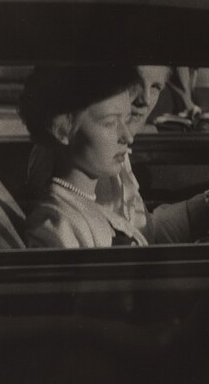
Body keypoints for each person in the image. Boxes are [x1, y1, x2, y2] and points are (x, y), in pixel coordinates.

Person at [26, 65, 209, 244]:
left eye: (156, 86)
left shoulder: (106, 157)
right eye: (135, 81)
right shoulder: (72, 168)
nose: (144, 99)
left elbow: (143, 233)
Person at [20, 65, 148, 248]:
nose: (128, 137)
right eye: (110, 123)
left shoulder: (86, 205)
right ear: (62, 129)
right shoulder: (56, 226)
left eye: (126, 120)